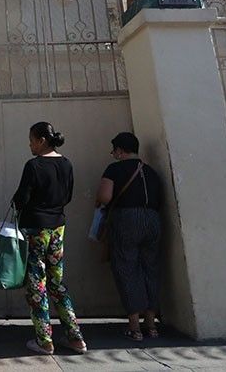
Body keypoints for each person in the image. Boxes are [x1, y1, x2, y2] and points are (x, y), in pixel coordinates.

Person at [13, 122, 87, 355]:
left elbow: (21, 199)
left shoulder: (33, 166)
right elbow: (69, 195)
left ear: (42, 140)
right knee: (57, 282)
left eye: (32, 140)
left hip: (35, 227)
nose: (30, 144)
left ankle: (44, 339)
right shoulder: (66, 164)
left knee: (37, 284)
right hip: (58, 227)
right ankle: (76, 338)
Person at [96, 132, 162, 341]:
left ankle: (134, 326)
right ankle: (151, 324)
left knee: (126, 267)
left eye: (114, 150)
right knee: (150, 269)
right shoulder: (151, 171)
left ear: (120, 150)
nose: (113, 154)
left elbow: (105, 197)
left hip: (126, 220)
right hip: (152, 219)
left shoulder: (114, 169)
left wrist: (99, 201)